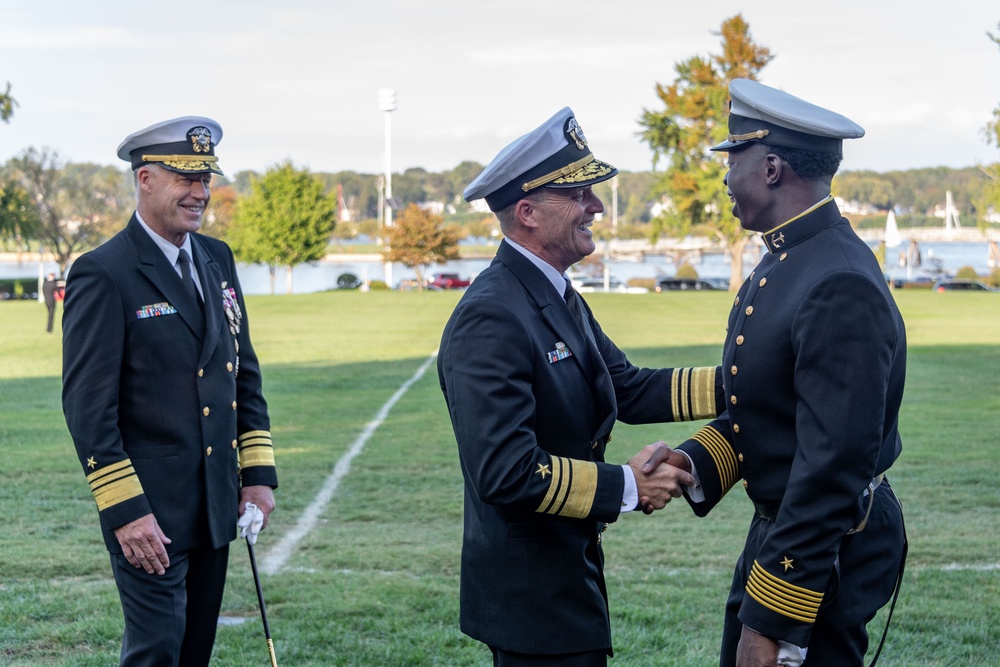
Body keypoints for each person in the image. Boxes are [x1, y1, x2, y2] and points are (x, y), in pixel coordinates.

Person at [438, 107, 725, 667]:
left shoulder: (554, 292)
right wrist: (628, 486)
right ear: (527, 213)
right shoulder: (493, 315)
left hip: (564, 579)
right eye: (578, 194)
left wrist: (746, 382)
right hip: (529, 597)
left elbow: (628, 387)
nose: (595, 205)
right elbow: (505, 470)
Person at [645, 79, 907, 667]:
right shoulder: (790, 257)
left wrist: (771, 623)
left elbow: (833, 464)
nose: (723, 174)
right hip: (792, 533)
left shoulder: (834, 279)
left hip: (820, 546)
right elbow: (768, 408)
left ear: (769, 168)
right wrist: (694, 461)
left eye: (732, 156)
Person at [62, 116, 278, 667]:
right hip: (149, 516)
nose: (201, 193)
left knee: (193, 653)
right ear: (146, 179)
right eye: (186, 179)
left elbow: (241, 374)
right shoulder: (103, 272)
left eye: (205, 179)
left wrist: (255, 477)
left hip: (214, 504)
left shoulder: (217, 259)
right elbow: (89, 411)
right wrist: (126, 511)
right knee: (156, 652)